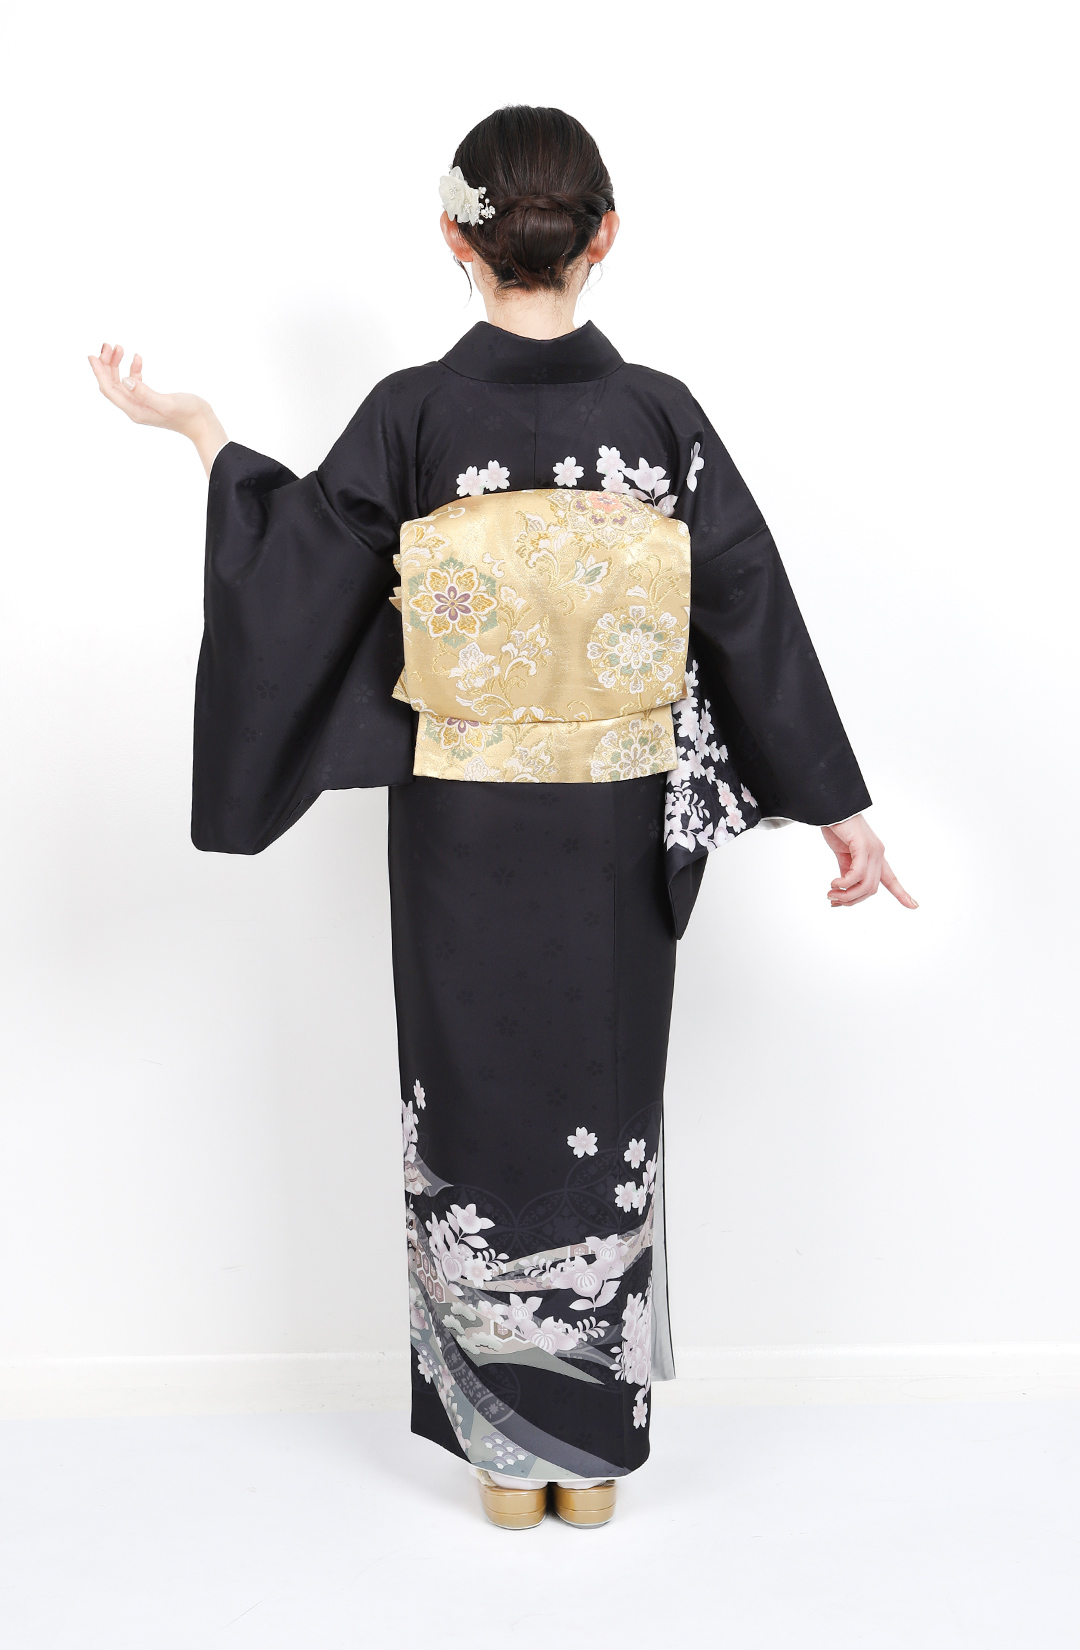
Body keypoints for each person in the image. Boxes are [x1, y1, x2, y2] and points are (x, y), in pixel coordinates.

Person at [88, 104, 916, 1533]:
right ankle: (589, 1464)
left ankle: (503, 1456)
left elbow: (298, 578)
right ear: (606, 237)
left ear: (455, 240)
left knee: (468, 1101)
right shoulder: (659, 414)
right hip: (614, 831)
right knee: (605, 1092)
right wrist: (836, 803)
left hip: (462, 833)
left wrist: (206, 436)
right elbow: (748, 605)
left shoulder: (414, 413)